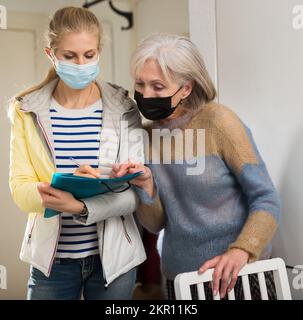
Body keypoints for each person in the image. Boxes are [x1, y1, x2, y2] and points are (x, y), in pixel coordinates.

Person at [111, 33, 281, 300]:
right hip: (181, 280)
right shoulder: (145, 137)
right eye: (140, 84)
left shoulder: (219, 122)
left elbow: (267, 199)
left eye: (157, 86)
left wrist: (242, 251)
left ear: (186, 89)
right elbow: (156, 225)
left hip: (240, 275)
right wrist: (146, 187)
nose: (145, 95)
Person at [8, 6, 146, 300]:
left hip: (115, 261)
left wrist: (80, 207)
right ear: (51, 54)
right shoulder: (26, 111)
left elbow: (134, 195)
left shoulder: (125, 108)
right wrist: (62, 186)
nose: (81, 64)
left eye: (89, 55)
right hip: (52, 263)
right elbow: (19, 188)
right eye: (69, 56)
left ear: (99, 52)